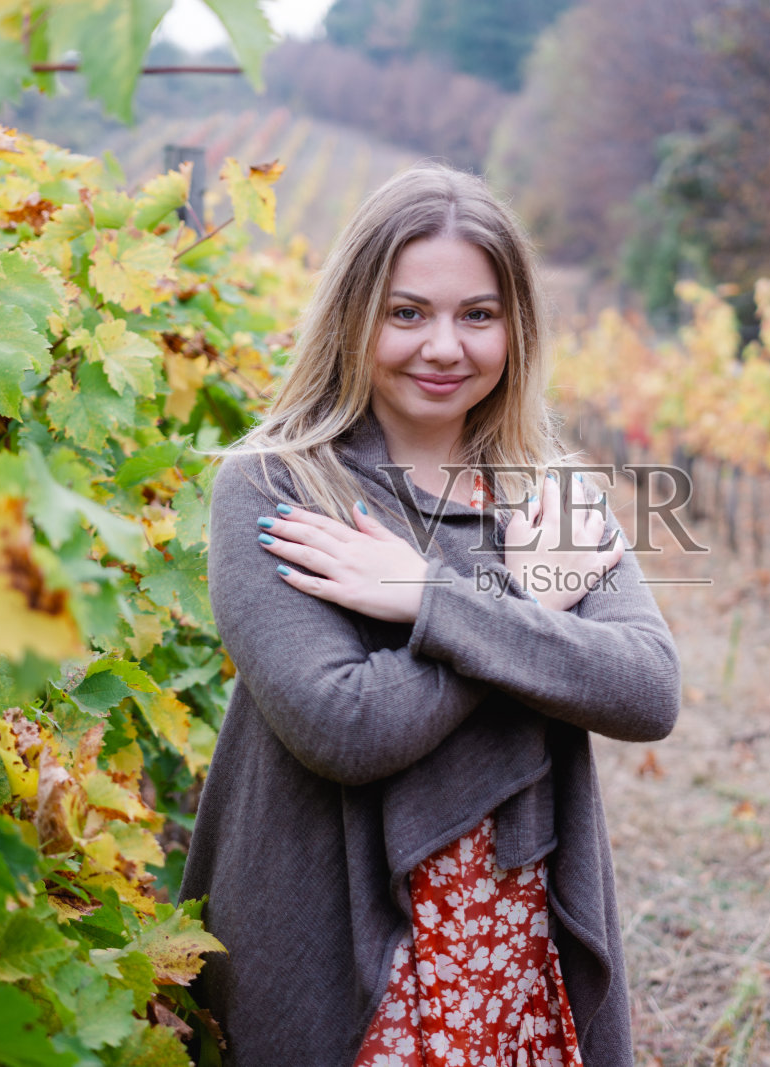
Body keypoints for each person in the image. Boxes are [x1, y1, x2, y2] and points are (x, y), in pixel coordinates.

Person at [177, 162, 682, 1067]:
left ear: (515, 328)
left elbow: (647, 689)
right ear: (353, 316)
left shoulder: (551, 492)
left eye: (478, 315)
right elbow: (344, 724)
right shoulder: (275, 486)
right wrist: (530, 603)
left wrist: (429, 597)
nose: (444, 347)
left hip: (514, 937)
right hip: (340, 948)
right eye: (406, 312)